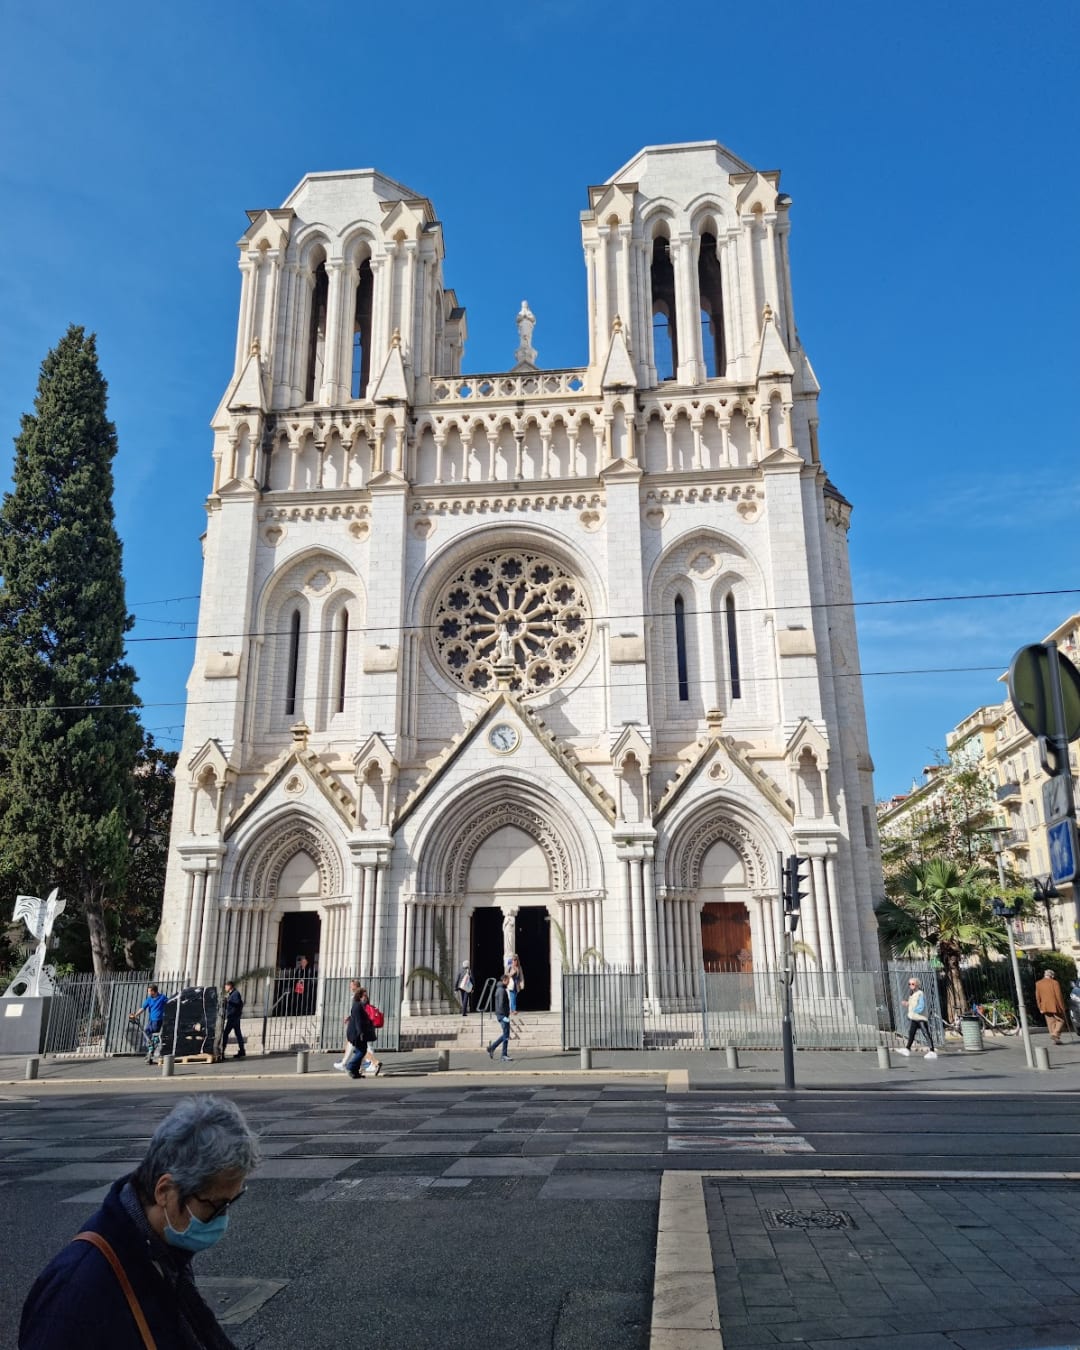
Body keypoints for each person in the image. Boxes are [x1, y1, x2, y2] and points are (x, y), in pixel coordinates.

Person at [20, 1094, 260, 1349]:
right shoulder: (77, 1289)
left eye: (230, 1203)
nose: (222, 1219)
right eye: (214, 1205)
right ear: (164, 1191)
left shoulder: (160, 1250)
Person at [896, 977, 937, 1059]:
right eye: (909, 984)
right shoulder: (912, 994)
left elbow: (921, 1005)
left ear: (917, 984)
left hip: (920, 1017)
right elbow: (913, 1004)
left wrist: (915, 1010)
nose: (911, 985)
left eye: (913, 984)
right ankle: (907, 1049)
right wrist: (907, 1003)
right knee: (911, 1033)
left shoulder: (920, 993)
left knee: (926, 1033)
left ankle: (932, 1051)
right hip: (914, 1017)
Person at [129, 983, 168, 1065]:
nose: (148, 992)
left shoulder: (162, 998)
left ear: (154, 991)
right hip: (151, 1020)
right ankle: (151, 1050)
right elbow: (143, 1008)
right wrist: (135, 1015)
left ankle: (152, 1050)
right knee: (147, 1034)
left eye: (149, 991)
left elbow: (169, 1004)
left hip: (158, 1020)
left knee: (153, 1035)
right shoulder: (149, 999)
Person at [342, 987, 377, 1080]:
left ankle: (355, 1071)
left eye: (366, 995)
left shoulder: (361, 1005)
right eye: (364, 995)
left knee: (359, 1050)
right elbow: (357, 1021)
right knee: (362, 1051)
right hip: (356, 1033)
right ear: (360, 996)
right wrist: (361, 1033)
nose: (366, 997)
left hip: (358, 1032)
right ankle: (350, 1066)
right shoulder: (357, 1006)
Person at [1036, 968, 1068, 1044]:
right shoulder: (1055, 983)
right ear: (1052, 976)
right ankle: (1055, 1034)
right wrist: (1062, 1007)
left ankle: (1056, 1040)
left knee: (1051, 1023)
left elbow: (1037, 997)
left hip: (1044, 1006)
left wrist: (1040, 1007)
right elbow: (1059, 996)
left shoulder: (1038, 983)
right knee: (1061, 1020)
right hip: (1055, 1005)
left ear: (1045, 975)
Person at [486, 974, 513, 1063]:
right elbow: (501, 1004)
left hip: (501, 1015)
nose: (509, 982)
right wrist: (505, 1016)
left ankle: (492, 1048)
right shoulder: (501, 990)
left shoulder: (500, 989)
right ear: (504, 980)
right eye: (508, 980)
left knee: (506, 1035)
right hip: (502, 1015)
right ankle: (503, 1055)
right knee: (506, 1035)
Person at [220, 981, 245, 1059]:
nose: (225, 988)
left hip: (233, 1017)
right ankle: (242, 1051)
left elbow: (237, 1003)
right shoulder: (232, 994)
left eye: (226, 986)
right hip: (234, 1017)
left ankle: (222, 1052)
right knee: (238, 1034)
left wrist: (228, 1001)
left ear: (230, 986)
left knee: (225, 1034)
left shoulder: (235, 994)